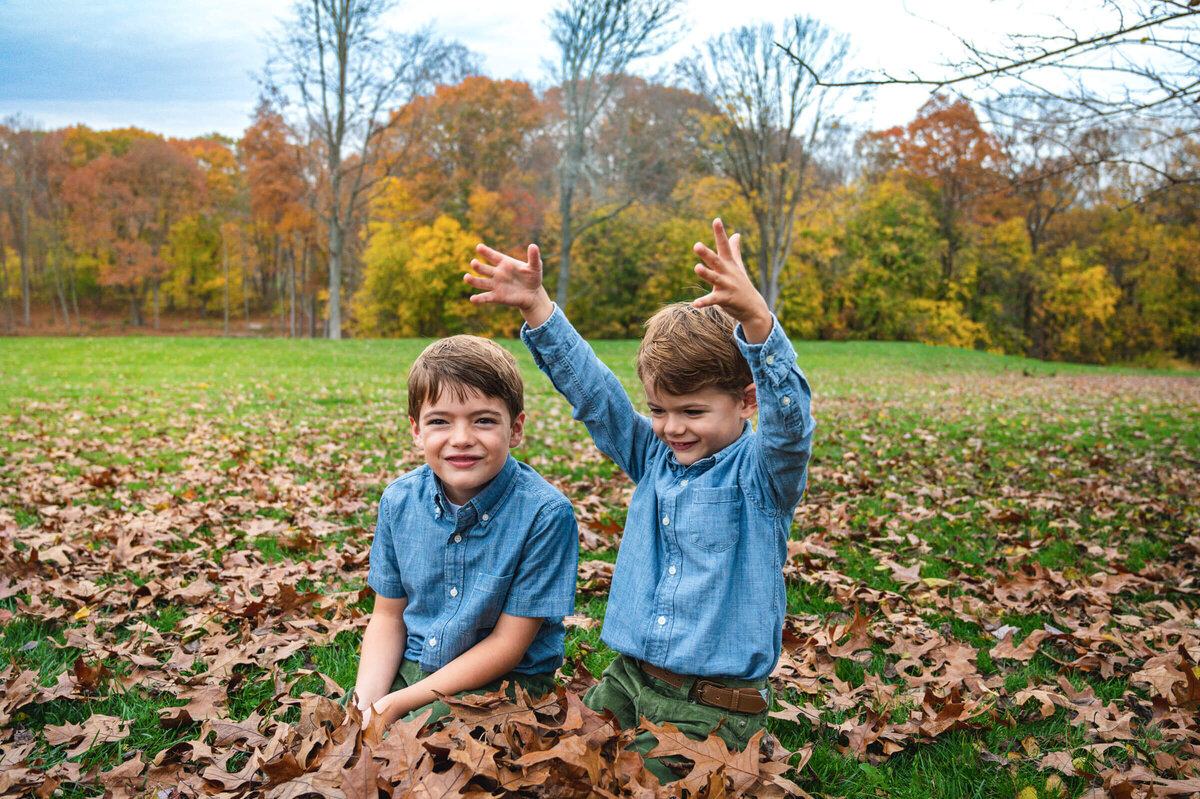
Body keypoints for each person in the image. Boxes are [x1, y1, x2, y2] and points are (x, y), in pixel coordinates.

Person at [465, 219, 815, 781]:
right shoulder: (655, 456)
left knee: (634, 784)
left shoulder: (763, 475)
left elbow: (790, 423)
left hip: (711, 707)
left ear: (746, 401)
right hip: (627, 681)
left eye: (693, 412)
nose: (671, 428)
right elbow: (595, 394)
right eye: (658, 409)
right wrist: (537, 307)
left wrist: (757, 321)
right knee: (557, 765)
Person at [351, 335, 579, 728]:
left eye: (483, 420)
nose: (461, 439)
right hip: (416, 663)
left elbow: (508, 647)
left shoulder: (545, 514)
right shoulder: (399, 501)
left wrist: (397, 705)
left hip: (505, 684)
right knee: (345, 731)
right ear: (417, 431)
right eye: (440, 421)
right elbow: (388, 618)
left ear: (516, 428)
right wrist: (367, 702)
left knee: (424, 742)